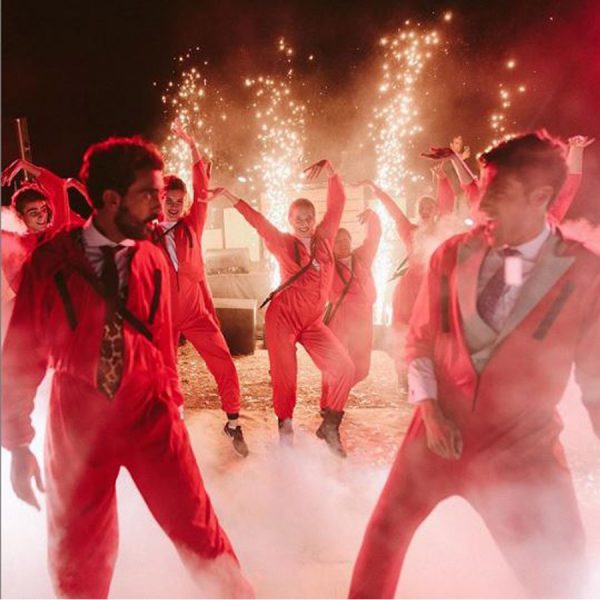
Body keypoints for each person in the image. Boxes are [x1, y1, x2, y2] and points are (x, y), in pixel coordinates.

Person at [348, 131, 600, 598]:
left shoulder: (585, 271)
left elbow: (596, 382)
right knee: (384, 533)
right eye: (483, 187)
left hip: (524, 446)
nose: (482, 202)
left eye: (498, 191)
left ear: (541, 198)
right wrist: (430, 413)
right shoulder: (451, 253)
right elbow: (420, 340)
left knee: (564, 564)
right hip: (435, 432)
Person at [1, 136, 253, 599]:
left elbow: (161, 344)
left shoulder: (151, 258)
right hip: (78, 420)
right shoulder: (50, 263)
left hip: (150, 409)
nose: (159, 205)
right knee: (79, 554)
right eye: (149, 194)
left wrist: (172, 406)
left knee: (201, 534)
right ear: (112, 199)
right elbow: (20, 356)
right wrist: (17, 444)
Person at [211, 160, 354, 457]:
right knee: (286, 379)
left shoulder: (325, 238)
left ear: (315, 218)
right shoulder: (283, 242)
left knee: (344, 367)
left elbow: (338, 204)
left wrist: (331, 170)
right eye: (298, 218)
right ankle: (286, 436)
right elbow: (258, 221)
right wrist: (229, 195)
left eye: (309, 217)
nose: (305, 222)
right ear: (290, 220)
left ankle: (330, 426)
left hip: (312, 322)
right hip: (283, 320)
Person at [154, 121, 248, 457]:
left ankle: (233, 422)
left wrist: (192, 145)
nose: (175, 205)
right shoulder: (145, 232)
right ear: (159, 199)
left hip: (196, 313)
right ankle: (172, 429)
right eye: (169, 199)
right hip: (163, 317)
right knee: (166, 375)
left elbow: (201, 185)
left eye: (180, 200)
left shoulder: (192, 225)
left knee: (224, 364)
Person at [353, 173, 456, 384]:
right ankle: (403, 374)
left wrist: (441, 179)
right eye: (422, 208)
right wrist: (374, 187)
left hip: (433, 288)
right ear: (417, 211)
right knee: (404, 330)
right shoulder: (409, 230)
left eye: (430, 207)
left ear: (436, 211)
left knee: (434, 331)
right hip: (409, 289)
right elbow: (393, 210)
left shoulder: (441, 230)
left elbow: (448, 202)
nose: (425, 211)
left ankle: (432, 374)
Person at [1, 161, 88, 343]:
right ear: (20, 217)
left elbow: (56, 186)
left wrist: (23, 164)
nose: (42, 216)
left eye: (43, 209)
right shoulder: (13, 242)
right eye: (33, 212)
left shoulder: (56, 230)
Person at [320, 208, 381, 408]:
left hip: (363, 319)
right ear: (331, 245)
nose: (343, 243)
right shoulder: (327, 266)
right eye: (338, 241)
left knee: (362, 369)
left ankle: (334, 398)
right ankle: (328, 406)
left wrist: (372, 217)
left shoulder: (362, 256)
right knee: (335, 365)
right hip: (340, 319)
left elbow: (374, 238)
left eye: (346, 239)